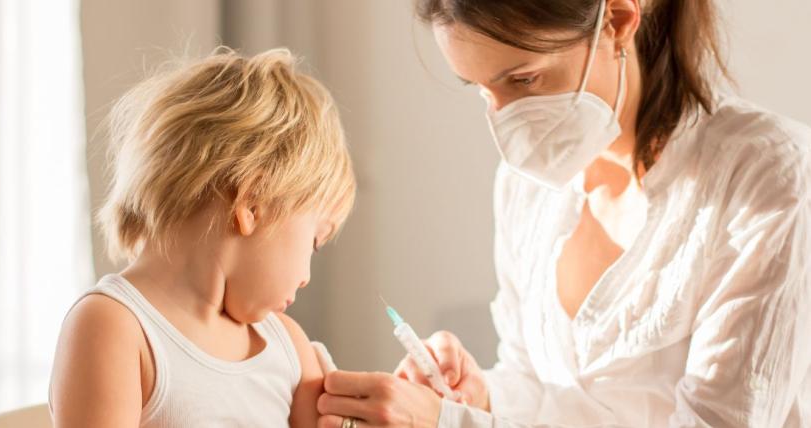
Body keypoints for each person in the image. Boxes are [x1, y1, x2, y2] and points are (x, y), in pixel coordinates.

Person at [317, 0, 811, 426]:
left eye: (524, 78)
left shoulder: (767, 174)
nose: (505, 121)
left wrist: (452, 423)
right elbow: (540, 387)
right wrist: (483, 394)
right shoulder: (527, 186)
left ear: (617, 19)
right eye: (481, 88)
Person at [49, 48, 355, 427]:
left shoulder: (288, 347)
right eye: (314, 241)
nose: (307, 276)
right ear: (253, 204)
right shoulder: (116, 327)